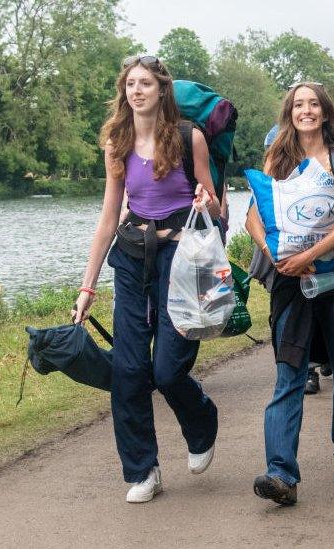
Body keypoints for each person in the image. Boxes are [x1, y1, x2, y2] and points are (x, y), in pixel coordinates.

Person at [73, 55, 220, 503]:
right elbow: (106, 218)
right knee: (130, 369)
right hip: (133, 258)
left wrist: (206, 199)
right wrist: (87, 287)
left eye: (146, 84)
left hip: (181, 258)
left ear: (161, 91)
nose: (137, 91)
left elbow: (216, 208)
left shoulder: (188, 137)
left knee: (168, 369)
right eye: (130, 84)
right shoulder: (116, 143)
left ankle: (201, 422)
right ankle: (142, 470)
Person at [246, 82, 334, 506]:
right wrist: (276, 254)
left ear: (325, 110)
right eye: (299, 105)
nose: (306, 111)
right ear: (289, 112)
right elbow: (252, 218)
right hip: (290, 283)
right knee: (289, 372)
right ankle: (281, 473)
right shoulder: (277, 156)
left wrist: (310, 255)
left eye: (313, 104)